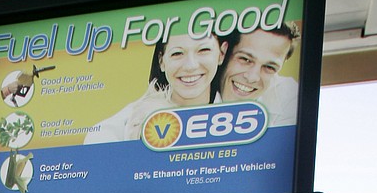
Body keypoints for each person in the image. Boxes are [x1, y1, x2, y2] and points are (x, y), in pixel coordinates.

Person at [84, 33, 227, 144]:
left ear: (221, 54)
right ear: (161, 61)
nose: (190, 66)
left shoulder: (240, 110)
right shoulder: (121, 126)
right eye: (177, 53)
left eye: (203, 50)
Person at [215, 24, 300, 127]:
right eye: (245, 59)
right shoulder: (196, 82)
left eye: (269, 67)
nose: (252, 78)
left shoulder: (290, 97)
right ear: (223, 53)